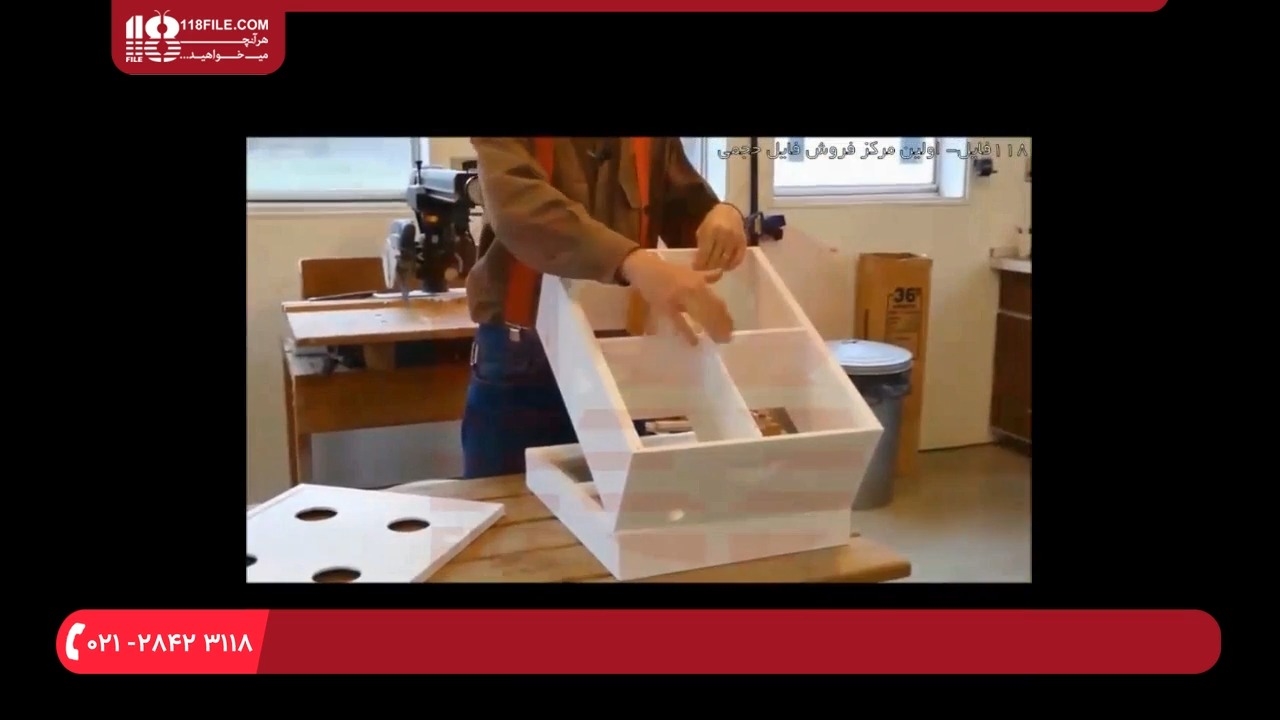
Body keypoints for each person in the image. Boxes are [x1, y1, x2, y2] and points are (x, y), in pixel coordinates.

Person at [461, 137, 749, 479]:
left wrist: (723, 215)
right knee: (510, 500)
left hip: (619, 357)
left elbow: (688, 211)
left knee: (625, 500)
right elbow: (518, 207)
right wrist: (631, 262)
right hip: (524, 364)